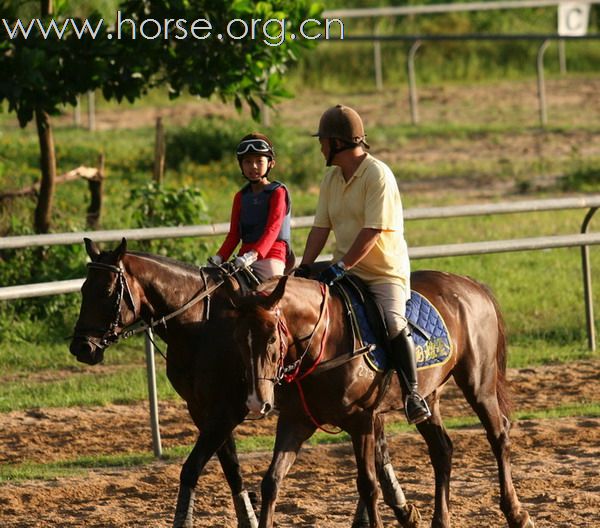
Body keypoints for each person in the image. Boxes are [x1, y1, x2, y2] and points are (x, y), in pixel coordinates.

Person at [295, 104, 431, 425]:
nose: (321, 147)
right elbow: (320, 228)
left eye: (324, 141)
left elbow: (372, 231)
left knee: (393, 323)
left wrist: (340, 266)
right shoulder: (331, 177)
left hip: (384, 273)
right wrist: (305, 267)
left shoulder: (377, 175)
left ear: (338, 143)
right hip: (346, 269)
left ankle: (413, 394)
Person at [208, 133, 292, 282]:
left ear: (271, 163)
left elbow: (273, 229)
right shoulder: (240, 196)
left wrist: (253, 255)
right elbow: (234, 235)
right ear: (241, 165)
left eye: (259, 161)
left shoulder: (278, 192)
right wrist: (219, 257)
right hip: (242, 259)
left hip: (271, 256)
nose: (253, 166)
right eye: (247, 162)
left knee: (271, 297)